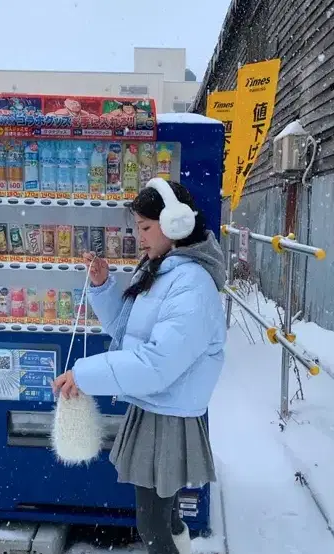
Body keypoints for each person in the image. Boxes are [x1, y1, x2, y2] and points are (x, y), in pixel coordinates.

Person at [52, 178, 227, 554]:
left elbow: (156, 365)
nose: (140, 237)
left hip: (168, 415)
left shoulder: (191, 283)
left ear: (176, 224)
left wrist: (82, 375)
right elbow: (126, 333)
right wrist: (101, 287)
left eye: (146, 228)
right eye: (138, 228)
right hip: (158, 407)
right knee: (166, 517)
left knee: (151, 525)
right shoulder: (165, 270)